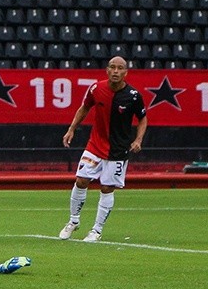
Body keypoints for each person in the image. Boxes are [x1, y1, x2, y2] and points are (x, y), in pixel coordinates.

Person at [58, 56, 148, 242]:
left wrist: (138, 140)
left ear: (126, 72)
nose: (116, 71)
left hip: (118, 150)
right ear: (107, 70)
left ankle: (96, 231)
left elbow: (142, 118)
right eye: (112, 67)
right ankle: (73, 221)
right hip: (95, 145)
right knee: (81, 180)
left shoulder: (133, 96)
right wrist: (71, 129)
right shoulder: (96, 89)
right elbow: (84, 108)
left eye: (120, 68)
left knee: (107, 188)